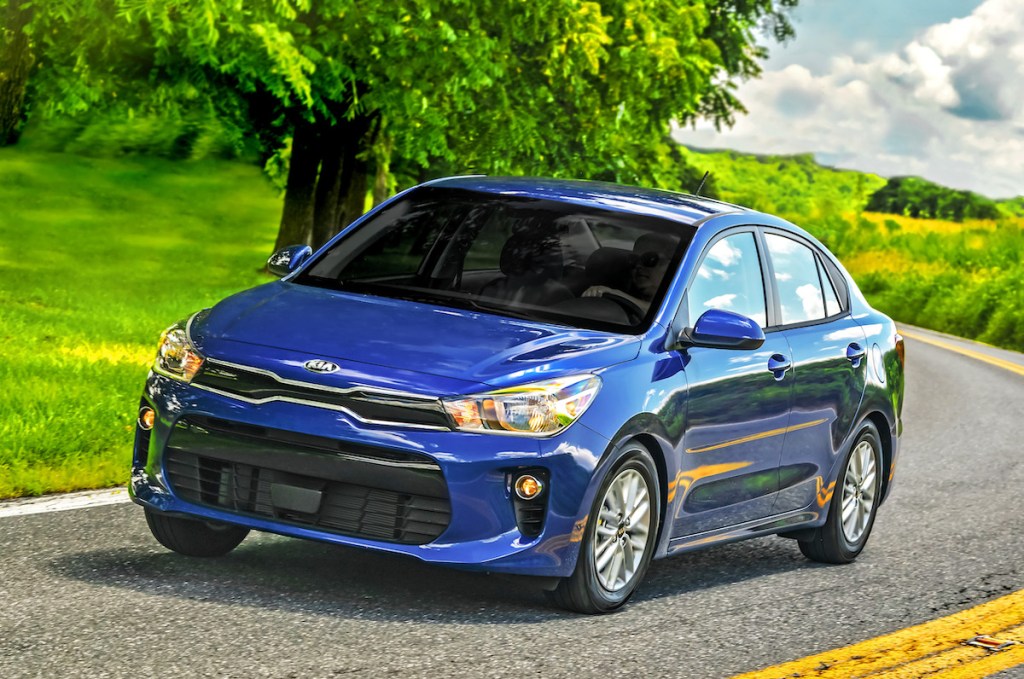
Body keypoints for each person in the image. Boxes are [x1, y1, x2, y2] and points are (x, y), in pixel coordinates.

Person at [582, 233, 678, 314]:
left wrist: (615, 293)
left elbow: (663, 313)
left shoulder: (682, 301)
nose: (638, 265)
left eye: (649, 259)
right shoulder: (607, 299)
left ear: (670, 265)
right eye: (634, 260)